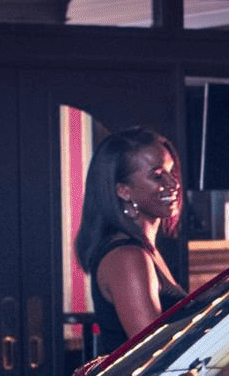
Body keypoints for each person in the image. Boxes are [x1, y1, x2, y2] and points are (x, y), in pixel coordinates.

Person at [74, 127, 185, 355]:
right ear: (124, 191)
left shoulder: (144, 249)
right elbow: (154, 353)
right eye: (157, 176)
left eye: (171, 171)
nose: (173, 183)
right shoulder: (127, 257)